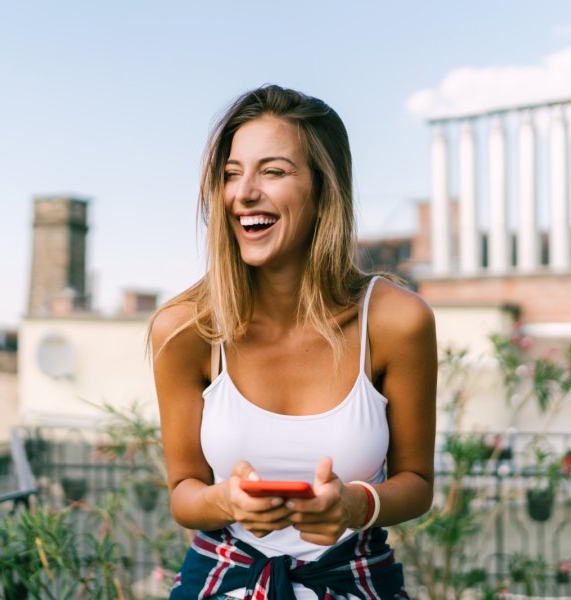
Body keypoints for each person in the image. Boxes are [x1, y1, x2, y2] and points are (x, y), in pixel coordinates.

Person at [150, 84, 437, 599]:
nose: (244, 192)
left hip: (354, 583)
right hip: (219, 583)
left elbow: (416, 481)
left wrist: (355, 506)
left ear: (325, 189)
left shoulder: (397, 321)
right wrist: (228, 502)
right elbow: (182, 493)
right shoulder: (183, 328)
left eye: (274, 171)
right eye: (232, 174)